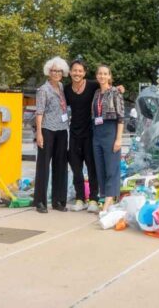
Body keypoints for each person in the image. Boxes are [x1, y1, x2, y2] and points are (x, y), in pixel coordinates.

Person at [33, 56, 70, 213]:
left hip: (62, 130)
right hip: (47, 130)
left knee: (60, 166)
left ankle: (58, 201)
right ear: (49, 72)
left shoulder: (61, 87)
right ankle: (40, 201)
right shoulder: (43, 90)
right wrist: (39, 133)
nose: (56, 73)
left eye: (59, 71)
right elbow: (39, 112)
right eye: (53, 70)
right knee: (43, 166)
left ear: (63, 73)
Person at [64, 59, 101, 214]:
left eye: (80, 71)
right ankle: (80, 199)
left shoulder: (93, 85)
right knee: (76, 168)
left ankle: (93, 199)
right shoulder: (66, 89)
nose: (77, 73)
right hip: (73, 133)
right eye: (74, 70)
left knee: (92, 168)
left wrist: (118, 88)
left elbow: (106, 86)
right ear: (70, 72)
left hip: (90, 133)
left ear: (84, 73)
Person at [91, 65, 125, 213]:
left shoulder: (115, 92)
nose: (102, 76)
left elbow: (121, 117)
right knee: (101, 168)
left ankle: (108, 200)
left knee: (112, 168)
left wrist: (118, 139)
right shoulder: (96, 93)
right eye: (100, 74)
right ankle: (106, 197)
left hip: (111, 131)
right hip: (97, 132)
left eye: (105, 74)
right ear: (97, 76)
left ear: (109, 76)